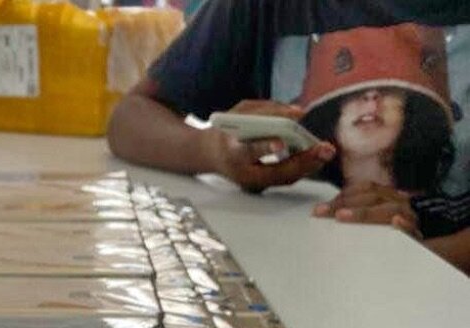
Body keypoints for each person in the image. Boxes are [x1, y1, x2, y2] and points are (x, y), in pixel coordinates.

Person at [107, 5, 470, 273]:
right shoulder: (264, 9)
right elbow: (130, 118)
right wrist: (212, 150)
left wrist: (416, 258)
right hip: (280, 296)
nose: (372, 102)